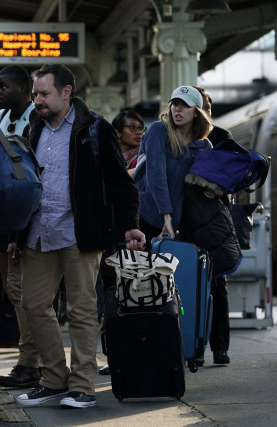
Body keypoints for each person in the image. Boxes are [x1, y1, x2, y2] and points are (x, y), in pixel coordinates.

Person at [13, 63, 145, 409]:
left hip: (79, 233)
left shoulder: (95, 129)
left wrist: (130, 224)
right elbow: (25, 184)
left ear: (66, 92)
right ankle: (54, 379)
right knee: (33, 305)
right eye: (35, 94)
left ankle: (82, 386)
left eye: (44, 94)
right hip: (39, 232)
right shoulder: (35, 127)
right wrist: (15, 232)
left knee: (82, 310)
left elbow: (122, 183)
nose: (37, 100)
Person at [0, 65, 41, 389]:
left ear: (23, 88)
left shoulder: (36, 121)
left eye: (3, 87)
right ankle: (30, 361)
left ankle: (31, 363)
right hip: (8, 222)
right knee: (16, 293)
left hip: (29, 222)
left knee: (27, 296)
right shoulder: (3, 119)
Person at [97, 108, 147, 377]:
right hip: (111, 234)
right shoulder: (108, 157)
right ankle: (113, 353)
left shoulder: (145, 158)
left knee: (136, 294)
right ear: (117, 132)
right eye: (131, 127)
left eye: (140, 128)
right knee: (112, 294)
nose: (138, 132)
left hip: (136, 234)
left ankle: (137, 350)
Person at [135, 85, 212, 241]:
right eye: (175, 103)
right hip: (144, 217)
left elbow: (207, 185)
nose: (178, 109)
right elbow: (156, 174)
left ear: (197, 112)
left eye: (185, 105)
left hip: (181, 225)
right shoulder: (158, 130)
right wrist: (166, 216)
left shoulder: (204, 146)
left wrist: (212, 190)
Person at [192, 86, 233, 365]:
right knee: (187, 286)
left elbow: (233, 176)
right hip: (187, 220)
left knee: (218, 284)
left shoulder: (221, 137)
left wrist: (218, 188)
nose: (204, 109)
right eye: (199, 104)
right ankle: (192, 347)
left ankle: (220, 348)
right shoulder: (176, 136)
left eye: (207, 104)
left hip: (214, 220)